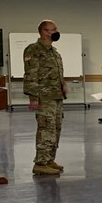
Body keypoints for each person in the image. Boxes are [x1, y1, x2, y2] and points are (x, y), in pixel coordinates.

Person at [23, 19, 66, 176]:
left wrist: (63, 85)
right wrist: (33, 98)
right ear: (44, 32)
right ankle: (40, 163)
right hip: (43, 96)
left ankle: (49, 159)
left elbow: (57, 73)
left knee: (55, 128)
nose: (56, 32)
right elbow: (30, 75)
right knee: (45, 128)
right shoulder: (33, 50)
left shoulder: (54, 52)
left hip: (56, 96)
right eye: (53, 29)